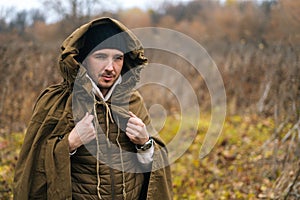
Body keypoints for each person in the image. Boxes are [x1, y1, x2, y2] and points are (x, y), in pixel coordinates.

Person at [13, 17, 173, 200]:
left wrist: (145, 144)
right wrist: (70, 144)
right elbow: (32, 168)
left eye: (118, 58)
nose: (110, 68)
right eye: (100, 56)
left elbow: (155, 169)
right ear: (83, 59)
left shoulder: (133, 101)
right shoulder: (56, 102)